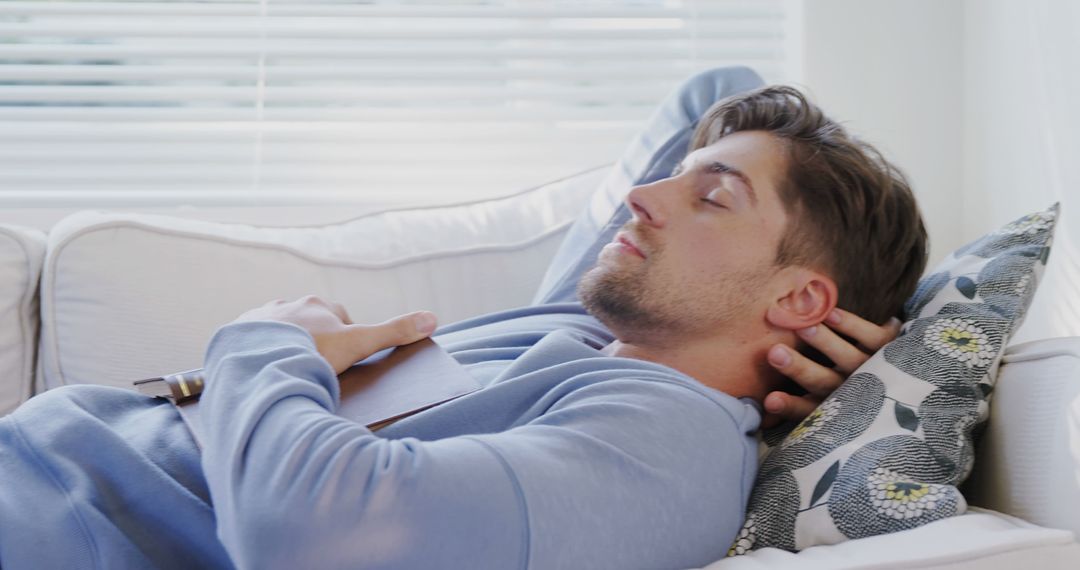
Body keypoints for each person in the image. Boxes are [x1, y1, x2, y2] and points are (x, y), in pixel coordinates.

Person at [0, 85, 926, 570]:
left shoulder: (668, 441)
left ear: (801, 299)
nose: (642, 198)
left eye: (710, 195)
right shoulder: (592, 322)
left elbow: (314, 539)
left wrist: (265, 344)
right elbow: (719, 86)